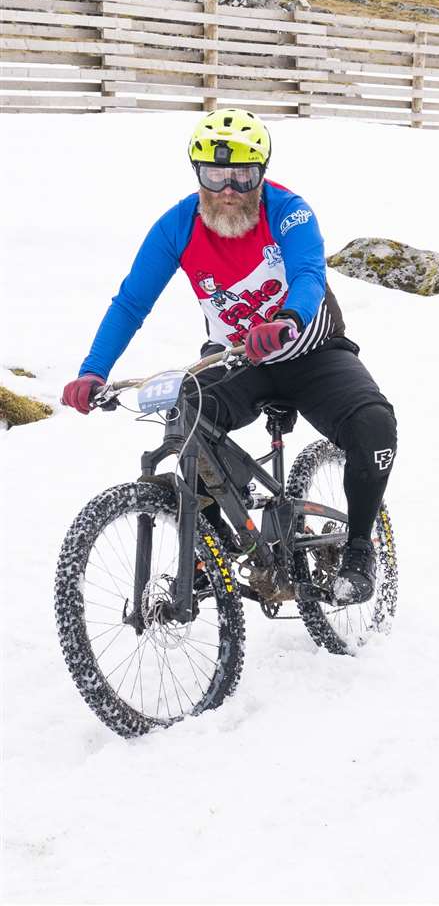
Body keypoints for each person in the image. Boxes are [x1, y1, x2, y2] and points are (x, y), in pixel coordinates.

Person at [60, 109, 397, 605]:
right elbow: (132, 302)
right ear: (197, 172)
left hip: (312, 351)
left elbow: (307, 273)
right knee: (189, 416)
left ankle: (360, 548)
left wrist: (286, 319)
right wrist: (93, 371)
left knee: (374, 425)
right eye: (215, 174)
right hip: (238, 359)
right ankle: (208, 548)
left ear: (261, 172)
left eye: (243, 174)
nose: (228, 188)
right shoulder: (176, 226)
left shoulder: (289, 210)